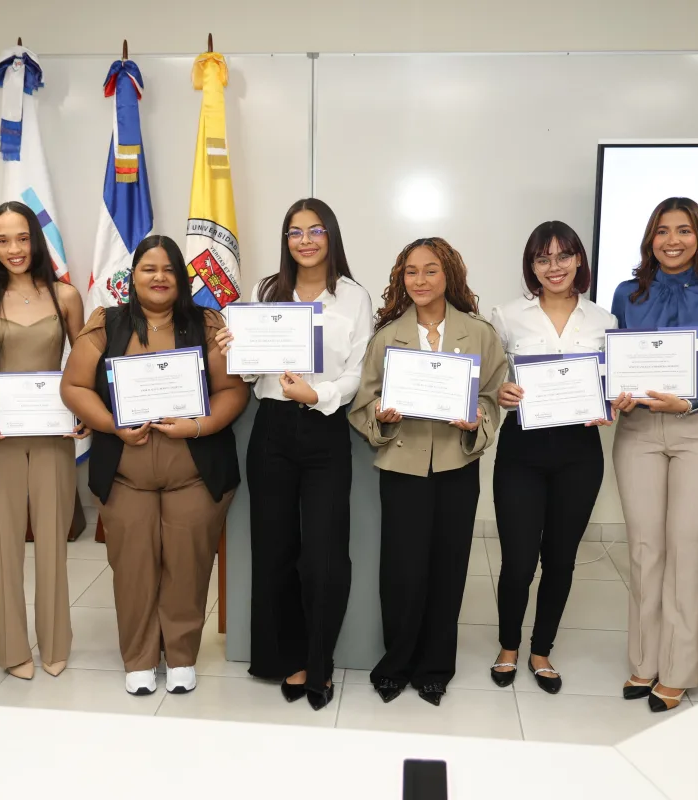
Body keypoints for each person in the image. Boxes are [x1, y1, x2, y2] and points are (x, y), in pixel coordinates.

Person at [60, 234, 249, 696]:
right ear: (132, 276)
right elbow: (74, 386)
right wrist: (110, 424)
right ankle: (140, 657)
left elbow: (233, 392)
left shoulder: (206, 322)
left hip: (195, 474)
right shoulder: (107, 322)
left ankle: (181, 655)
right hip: (126, 475)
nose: (159, 277)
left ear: (181, 277)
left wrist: (197, 426)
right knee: (134, 568)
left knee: (188, 566)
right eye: (149, 268)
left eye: (168, 269)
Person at [215, 199, 373, 710]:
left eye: (315, 230)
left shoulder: (353, 297)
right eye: (294, 232)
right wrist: (232, 351)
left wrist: (319, 396)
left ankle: (320, 664)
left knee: (324, 555)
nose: (305, 240)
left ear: (331, 236)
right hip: (273, 430)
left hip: (325, 429)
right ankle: (287, 660)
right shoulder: (266, 292)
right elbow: (251, 371)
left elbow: (357, 371)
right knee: (274, 549)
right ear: (286, 241)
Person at [348, 237, 508, 707]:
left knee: (448, 568)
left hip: (457, 466)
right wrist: (381, 413)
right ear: (401, 278)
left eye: (430, 270)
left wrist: (476, 417)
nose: (419, 280)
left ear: (449, 276)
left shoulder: (479, 335)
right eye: (411, 272)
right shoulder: (386, 337)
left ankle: (436, 667)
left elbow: (496, 396)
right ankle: (396, 663)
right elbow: (362, 404)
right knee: (401, 571)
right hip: (402, 465)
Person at [610, 198, 698, 712]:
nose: (672, 240)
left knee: (688, 549)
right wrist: (614, 392)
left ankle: (681, 668)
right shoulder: (629, 293)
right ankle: (645, 661)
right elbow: (617, 360)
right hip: (640, 430)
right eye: (663, 231)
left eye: (684, 231)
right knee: (645, 549)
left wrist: (690, 399)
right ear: (650, 238)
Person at [0, 202, 88, 681]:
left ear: (36, 240)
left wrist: (88, 411)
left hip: (54, 432)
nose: (13, 249)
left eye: (21, 238)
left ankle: (56, 641)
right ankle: (13, 647)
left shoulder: (66, 297)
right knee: (5, 543)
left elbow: (85, 359)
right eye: (2, 240)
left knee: (54, 539)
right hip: (1, 436)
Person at [487, 221, 616, 694]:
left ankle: (541, 650)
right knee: (518, 561)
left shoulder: (605, 321)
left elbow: (614, 383)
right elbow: (490, 380)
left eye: (564, 256)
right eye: (544, 258)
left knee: (560, 559)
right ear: (532, 266)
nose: (554, 266)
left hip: (580, 454)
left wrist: (611, 401)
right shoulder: (505, 315)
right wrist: (499, 392)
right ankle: (508, 647)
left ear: (579, 260)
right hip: (522, 450)